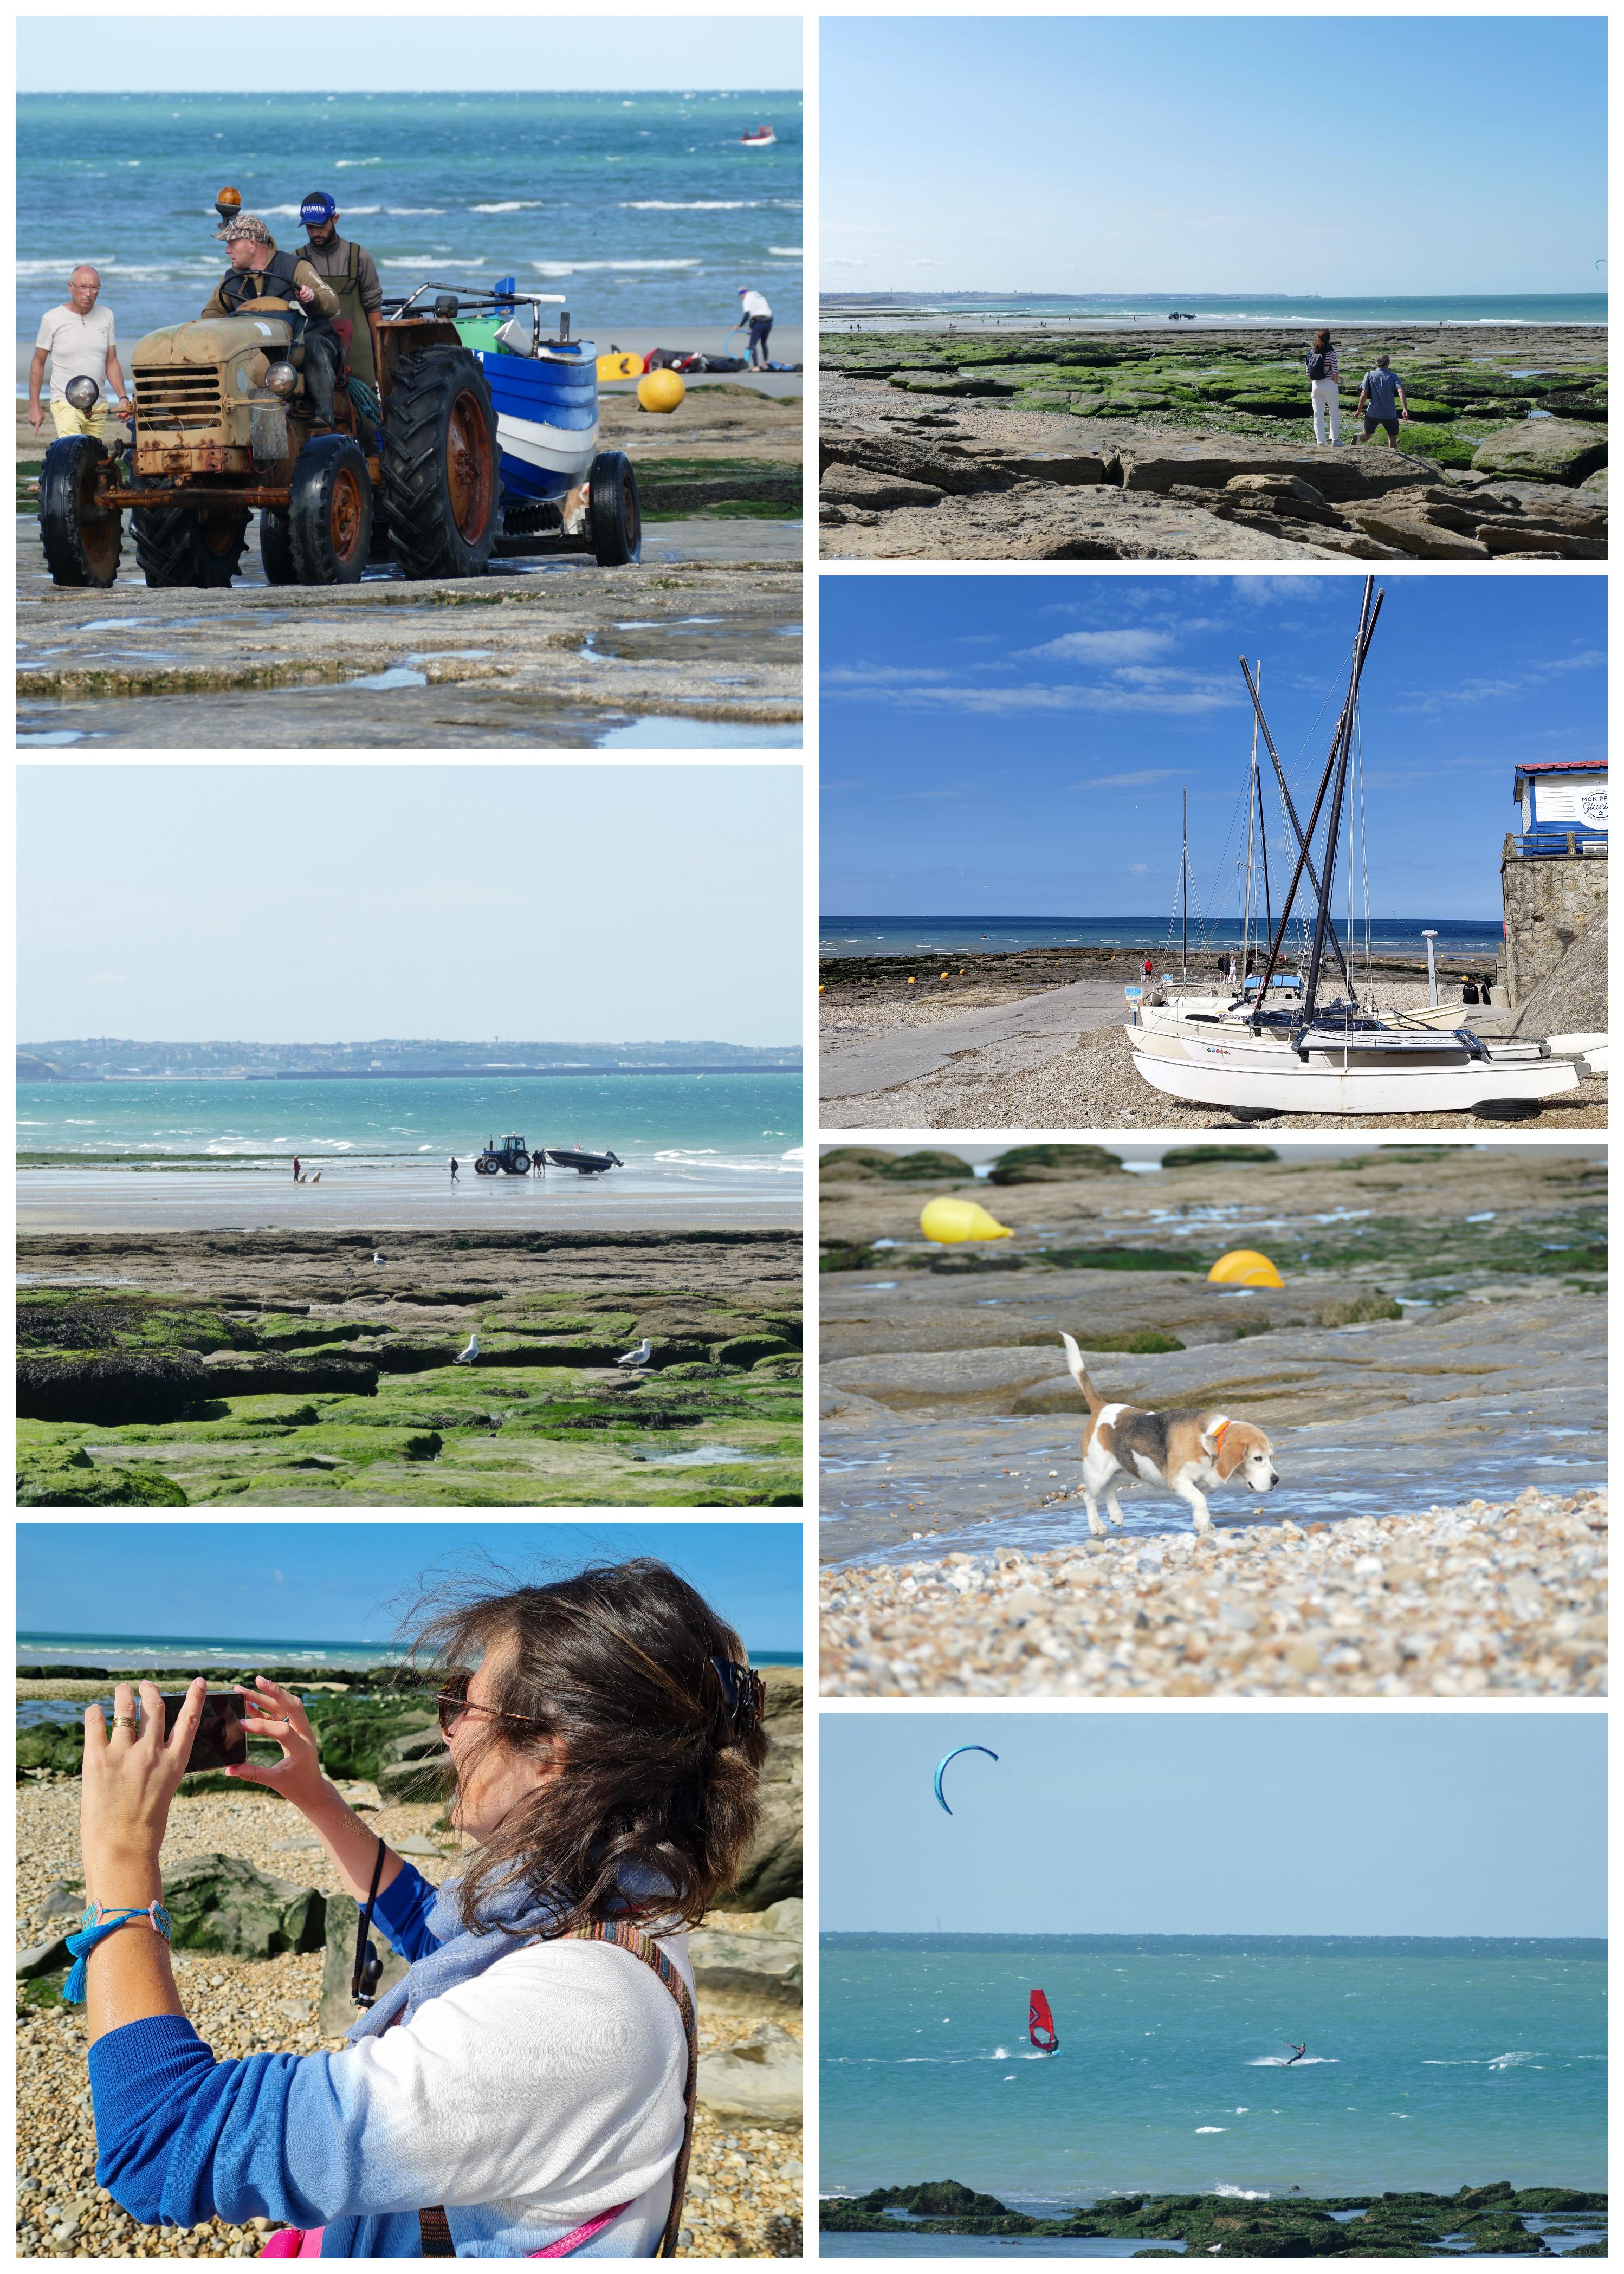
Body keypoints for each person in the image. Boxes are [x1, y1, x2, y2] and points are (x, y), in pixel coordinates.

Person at [69, 1560, 768, 2257]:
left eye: (466, 1705)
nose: (451, 1732)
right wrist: (316, 1795)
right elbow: (443, 1939)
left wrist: (121, 1857)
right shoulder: (620, 1908)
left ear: (552, 1754)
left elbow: (159, 2139)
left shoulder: (574, 2016)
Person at [201, 216, 343, 426]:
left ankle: (323, 418)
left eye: (232, 244)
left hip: (302, 341)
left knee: (315, 346)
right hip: (258, 349)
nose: (227, 251)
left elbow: (332, 300)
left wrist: (313, 297)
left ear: (252, 245)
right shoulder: (231, 278)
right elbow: (211, 314)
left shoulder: (295, 267)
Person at [29, 266, 132, 443]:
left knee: (93, 458)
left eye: (94, 287)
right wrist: (34, 406)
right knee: (72, 452)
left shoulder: (107, 315)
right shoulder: (52, 319)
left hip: (98, 404)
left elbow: (111, 361)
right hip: (66, 403)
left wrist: (122, 398)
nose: (88, 293)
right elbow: (38, 363)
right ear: (71, 287)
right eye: (83, 287)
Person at [296, 191, 384, 392]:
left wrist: (380, 357)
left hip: (359, 353)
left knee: (368, 417)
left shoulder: (360, 257)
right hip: (316, 353)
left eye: (321, 226)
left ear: (335, 219)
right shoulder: (297, 261)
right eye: (310, 227)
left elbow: (374, 310)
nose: (315, 233)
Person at [1355, 354, 1409, 448]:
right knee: (1392, 438)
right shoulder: (1393, 376)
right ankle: (1393, 458)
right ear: (1387, 364)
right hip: (1390, 414)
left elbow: (1364, 394)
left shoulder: (1369, 375)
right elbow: (1401, 391)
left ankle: (1358, 436)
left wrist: (1359, 410)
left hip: (1373, 413)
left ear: (1377, 364)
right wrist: (1405, 408)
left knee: (1367, 435)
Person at [1305, 327, 1340, 447]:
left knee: (1318, 415)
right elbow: (1335, 372)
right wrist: (1335, 383)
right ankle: (1335, 441)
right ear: (1329, 338)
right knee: (1334, 413)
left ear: (1317, 338)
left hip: (1316, 385)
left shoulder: (1311, 352)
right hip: (1330, 384)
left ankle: (1321, 442)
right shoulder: (1331, 352)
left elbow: (1308, 374)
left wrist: (1316, 381)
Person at [737, 285, 773, 369]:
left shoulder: (746, 299)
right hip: (769, 321)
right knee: (763, 343)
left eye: (740, 296)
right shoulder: (757, 295)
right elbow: (758, 311)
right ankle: (765, 364)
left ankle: (756, 367)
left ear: (742, 294)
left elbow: (747, 315)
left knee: (752, 344)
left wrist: (740, 325)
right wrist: (752, 326)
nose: (741, 298)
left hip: (760, 322)